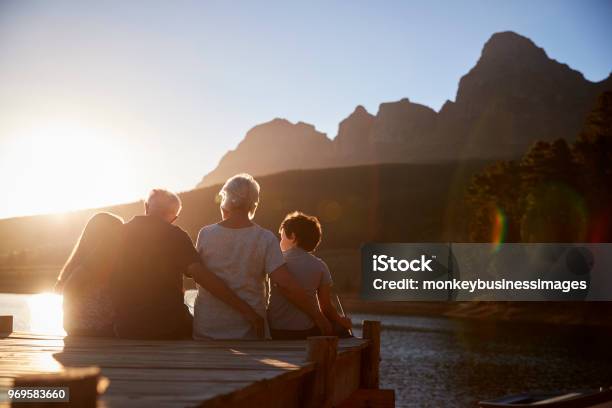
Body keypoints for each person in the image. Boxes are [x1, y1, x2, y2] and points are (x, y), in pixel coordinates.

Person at [193, 174, 332, 339]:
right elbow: (286, 284)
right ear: (253, 204)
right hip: (249, 332)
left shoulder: (206, 234)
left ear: (226, 200)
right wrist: (318, 317)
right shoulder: (265, 238)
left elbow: (199, 277)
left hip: (208, 329)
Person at [110, 189, 263, 339]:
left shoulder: (119, 233)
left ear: (146, 206)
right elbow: (201, 275)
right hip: (167, 328)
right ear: (174, 217)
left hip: (126, 327)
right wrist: (247, 311)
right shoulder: (175, 235)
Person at [267, 211, 352, 340]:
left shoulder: (275, 262)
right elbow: (326, 307)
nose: (280, 241)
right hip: (306, 331)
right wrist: (341, 321)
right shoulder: (320, 266)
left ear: (293, 237)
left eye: (282, 237)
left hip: (276, 331)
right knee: (340, 329)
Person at [55, 212, 124, 337]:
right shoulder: (98, 263)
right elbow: (68, 289)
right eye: (118, 234)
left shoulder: (77, 262)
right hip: (96, 329)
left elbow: (61, 290)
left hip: (75, 328)